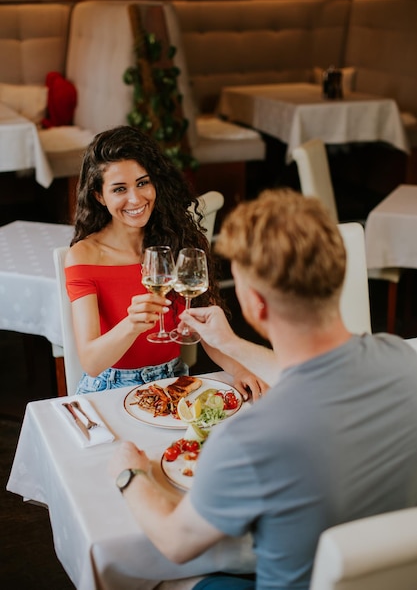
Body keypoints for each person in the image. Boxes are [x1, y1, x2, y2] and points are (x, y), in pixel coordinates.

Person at [109, 188, 417, 590]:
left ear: (255, 305)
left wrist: (129, 475)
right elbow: (315, 369)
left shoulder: (247, 440)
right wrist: (232, 345)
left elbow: (173, 542)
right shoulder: (403, 360)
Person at [65, 125, 265, 396]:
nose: (135, 198)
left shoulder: (176, 239)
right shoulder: (84, 255)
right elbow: (91, 362)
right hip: (109, 389)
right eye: (119, 189)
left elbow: (207, 329)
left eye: (142, 182)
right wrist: (131, 324)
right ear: (99, 196)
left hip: (174, 381)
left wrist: (239, 369)